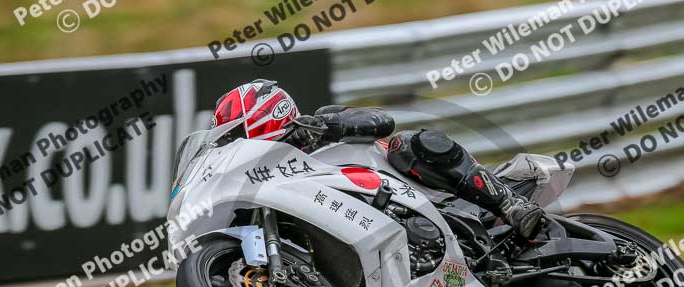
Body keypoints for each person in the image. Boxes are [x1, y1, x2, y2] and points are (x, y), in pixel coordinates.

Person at [212, 79, 543, 238]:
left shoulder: (321, 122)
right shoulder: (271, 182)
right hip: (371, 231)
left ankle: (509, 203)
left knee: (412, 144)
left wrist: (326, 126)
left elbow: (382, 122)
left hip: (417, 194)